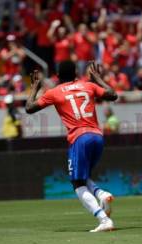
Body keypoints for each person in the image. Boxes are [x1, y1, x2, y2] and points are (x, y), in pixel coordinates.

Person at [25, 61, 118, 232]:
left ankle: (103, 220)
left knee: (77, 184)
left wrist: (36, 87)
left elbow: (29, 108)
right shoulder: (88, 85)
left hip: (79, 138)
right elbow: (113, 95)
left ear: (58, 76)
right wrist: (98, 79)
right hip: (97, 137)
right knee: (83, 177)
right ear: (76, 73)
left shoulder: (54, 92)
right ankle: (101, 194)